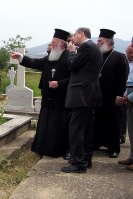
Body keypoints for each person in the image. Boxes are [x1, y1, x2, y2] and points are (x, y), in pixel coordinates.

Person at [9, 29, 71, 159]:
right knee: (46, 126)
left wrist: (59, 83)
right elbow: (36, 63)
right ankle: (44, 148)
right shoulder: (50, 57)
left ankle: (62, 150)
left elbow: (74, 78)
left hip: (61, 100)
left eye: (54, 44)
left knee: (60, 127)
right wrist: (21, 57)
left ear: (62, 44)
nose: (52, 46)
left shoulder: (69, 58)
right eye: (52, 44)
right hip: (48, 99)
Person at [61, 27, 102, 173]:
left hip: (82, 94)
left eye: (76, 35)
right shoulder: (94, 48)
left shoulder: (86, 47)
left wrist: (72, 52)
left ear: (82, 34)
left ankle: (78, 163)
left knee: (76, 129)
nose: (73, 38)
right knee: (86, 128)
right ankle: (86, 159)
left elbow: (72, 65)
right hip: (88, 94)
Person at [93, 29, 129, 158]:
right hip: (98, 95)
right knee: (97, 121)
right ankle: (96, 143)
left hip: (112, 95)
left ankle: (113, 148)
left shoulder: (119, 57)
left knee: (112, 122)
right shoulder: (98, 55)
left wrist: (119, 95)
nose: (97, 43)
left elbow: (123, 78)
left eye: (99, 41)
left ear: (108, 42)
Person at [118, 41, 133, 170]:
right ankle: (132, 156)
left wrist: (130, 97)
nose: (129, 55)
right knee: (131, 129)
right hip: (128, 94)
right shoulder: (131, 64)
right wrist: (125, 94)